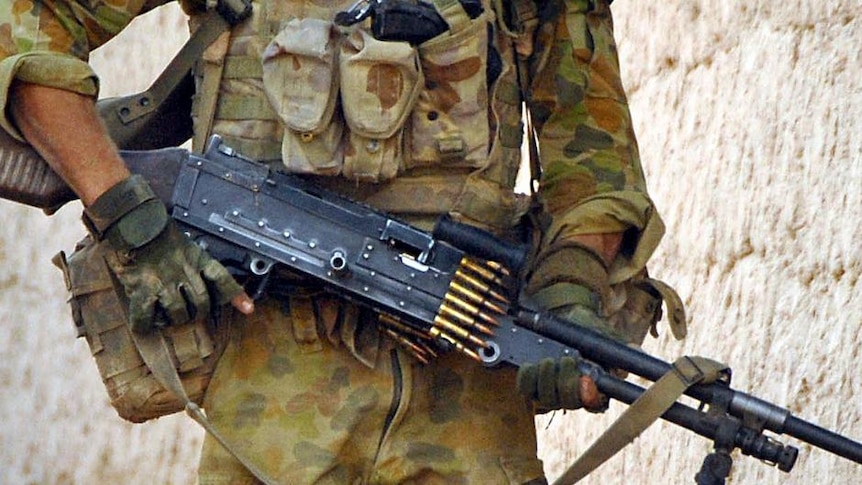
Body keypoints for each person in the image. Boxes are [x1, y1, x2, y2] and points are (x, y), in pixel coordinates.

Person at [0, 0, 678, 482]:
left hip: (466, 395)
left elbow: (594, 168)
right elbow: (21, 29)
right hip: (270, 407)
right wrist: (125, 212)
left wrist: (569, 301)